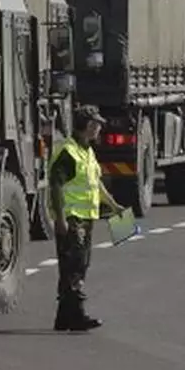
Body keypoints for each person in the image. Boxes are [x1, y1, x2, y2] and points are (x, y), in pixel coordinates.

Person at [47, 104, 126, 332]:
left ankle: (63, 317)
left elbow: (95, 183)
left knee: (75, 266)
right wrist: (60, 218)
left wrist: (113, 205)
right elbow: (56, 185)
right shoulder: (69, 152)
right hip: (73, 218)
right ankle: (77, 315)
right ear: (87, 126)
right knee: (76, 265)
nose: (99, 129)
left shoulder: (87, 151)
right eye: (96, 125)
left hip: (85, 217)